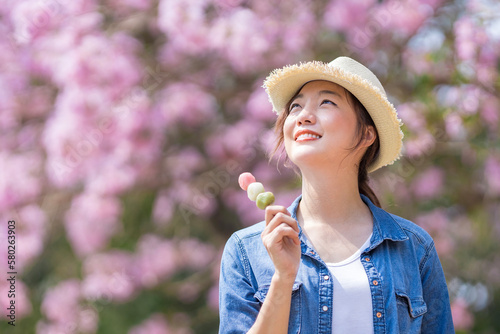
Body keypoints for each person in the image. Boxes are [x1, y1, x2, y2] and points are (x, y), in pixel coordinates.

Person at [218, 57, 454, 334]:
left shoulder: (414, 248)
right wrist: (283, 278)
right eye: (296, 106)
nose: (303, 116)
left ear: (367, 135)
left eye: (327, 102)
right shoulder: (246, 250)